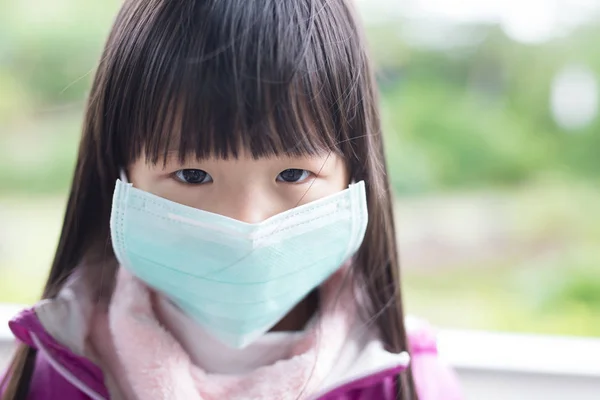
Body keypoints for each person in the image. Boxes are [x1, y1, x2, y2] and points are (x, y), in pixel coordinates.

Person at [1, 0, 462, 399]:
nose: (247, 225)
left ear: (354, 172)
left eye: (294, 173)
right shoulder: (57, 370)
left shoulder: (406, 383)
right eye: (192, 174)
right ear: (120, 174)